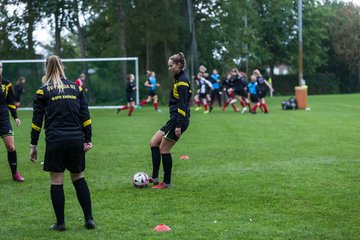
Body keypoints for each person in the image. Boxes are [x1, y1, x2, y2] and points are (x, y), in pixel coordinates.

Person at [29, 55, 95, 231]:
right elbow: (86, 118)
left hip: (55, 141)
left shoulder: (43, 91)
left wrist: (33, 145)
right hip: (75, 139)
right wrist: (87, 139)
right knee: (78, 178)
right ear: (62, 66)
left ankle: (60, 223)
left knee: (57, 181)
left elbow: (37, 122)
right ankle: (89, 220)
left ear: (46, 68)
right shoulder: (76, 88)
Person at [148, 52, 191, 189]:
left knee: (164, 150)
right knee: (154, 142)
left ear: (179, 65)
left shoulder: (182, 82)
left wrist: (178, 125)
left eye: (171, 66)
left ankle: (166, 183)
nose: (169, 68)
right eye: (168, 66)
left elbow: (182, 105)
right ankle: (154, 178)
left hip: (179, 120)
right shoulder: (178, 79)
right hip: (173, 119)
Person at [0, 61, 25, 182]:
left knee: (10, 146)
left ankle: (15, 173)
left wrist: (15, 116)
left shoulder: (6, 83)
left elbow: (10, 101)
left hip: (3, 118)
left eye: (0, 67)